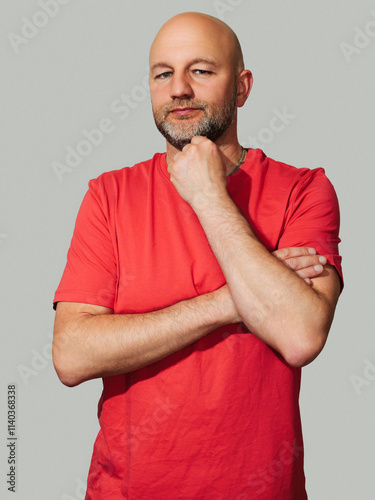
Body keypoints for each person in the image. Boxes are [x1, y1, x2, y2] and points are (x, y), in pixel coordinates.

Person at [52, 12, 342, 500]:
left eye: (201, 70)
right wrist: (234, 303)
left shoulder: (304, 190)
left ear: (243, 87)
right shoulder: (109, 195)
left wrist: (209, 196)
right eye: (163, 73)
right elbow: (71, 355)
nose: (179, 88)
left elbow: (299, 335)